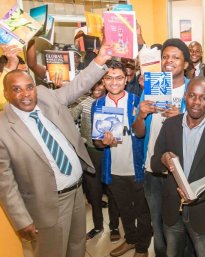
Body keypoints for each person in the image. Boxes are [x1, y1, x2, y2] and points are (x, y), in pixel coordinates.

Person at [0, 43, 111, 257]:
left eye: (29, 87)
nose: (25, 94)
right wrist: (22, 220)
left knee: (77, 248)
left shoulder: (45, 97)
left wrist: (100, 61)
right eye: (16, 89)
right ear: (6, 93)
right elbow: (5, 183)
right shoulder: (3, 128)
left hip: (77, 193)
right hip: (47, 205)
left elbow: (76, 86)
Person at [151, 77, 205, 257]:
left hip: (204, 213)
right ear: (185, 96)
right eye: (192, 96)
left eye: (203, 98)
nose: (196, 102)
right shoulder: (170, 125)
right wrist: (163, 159)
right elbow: (154, 163)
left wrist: (196, 194)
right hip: (172, 210)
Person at [133, 38, 192, 257]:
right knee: (157, 228)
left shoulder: (192, 91)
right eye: (165, 56)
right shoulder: (151, 87)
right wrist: (141, 114)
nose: (169, 61)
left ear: (185, 64)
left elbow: (204, 132)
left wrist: (183, 118)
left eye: (175, 57)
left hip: (181, 173)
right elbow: (139, 132)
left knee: (179, 229)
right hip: (153, 171)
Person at [93, 60, 152, 257]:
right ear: (103, 80)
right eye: (109, 78)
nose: (114, 82)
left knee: (143, 211)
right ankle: (131, 240)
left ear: (126, 79)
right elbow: (97, 143)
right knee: (124, 210)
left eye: (119, 77)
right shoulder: (98, 105)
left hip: (137, 167)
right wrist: (103, 141)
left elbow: (144, 134)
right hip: (113, 170)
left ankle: (142, 247)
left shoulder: (137, 101)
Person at [70, 81, 121, 241]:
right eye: (93, 86)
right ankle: (98, 226)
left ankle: (114, 227)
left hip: (110, 152)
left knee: (112, 193)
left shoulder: (111, 102)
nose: (97, 89)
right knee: (94, 193)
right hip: (91, 154)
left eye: (100, 85)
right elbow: (69, 117)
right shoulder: (84, 102)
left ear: (106, 85)